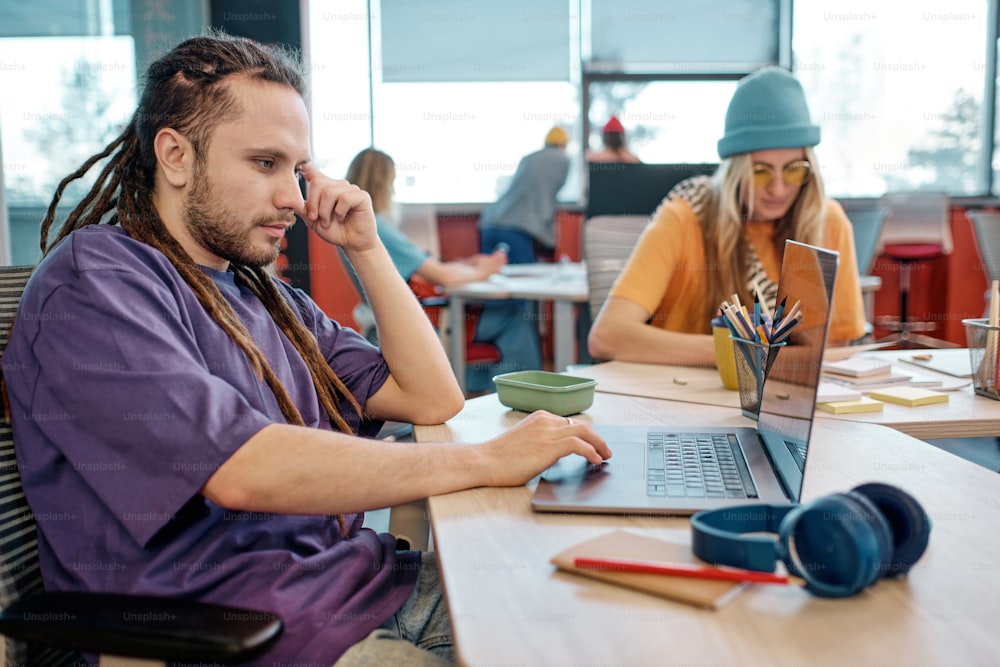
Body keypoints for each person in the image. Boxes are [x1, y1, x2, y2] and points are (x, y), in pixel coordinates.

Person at [0, 33, 610, 666]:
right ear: (176, 156)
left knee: (601, 625)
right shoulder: (97, 282)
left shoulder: (266, 297)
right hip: (245, 637)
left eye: (297, 168)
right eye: (265, 163)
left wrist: (367, 249)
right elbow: (242, 467)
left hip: (365, 589)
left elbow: (432, 398)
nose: (294, 196)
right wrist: (486, 462)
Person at [588, 66, 866, 367]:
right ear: (735, 172)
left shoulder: (826, 221)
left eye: (794, 170)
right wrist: (740, 351)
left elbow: (832, 352)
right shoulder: (685, 217)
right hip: (677, 398)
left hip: (781, 396)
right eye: (759, 172)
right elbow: (607, 336)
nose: (778, 189)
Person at [343, 147, 543, 392]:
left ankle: (493, 389)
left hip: (398, 319)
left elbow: (426, 266)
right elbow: (443, 276)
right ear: (385, 184)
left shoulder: (357, 226)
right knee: (515, 318)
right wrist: (486, 269)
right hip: (426, 321)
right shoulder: (377, 228)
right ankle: (521, 394)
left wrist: (469, 264)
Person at [477, 126, 570, 264]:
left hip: (490, 224)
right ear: (563, 145)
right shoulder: (562, 159)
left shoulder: (528, 158)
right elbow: (552, 193)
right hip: (518, 229)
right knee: (525, 281)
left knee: (489, 278)